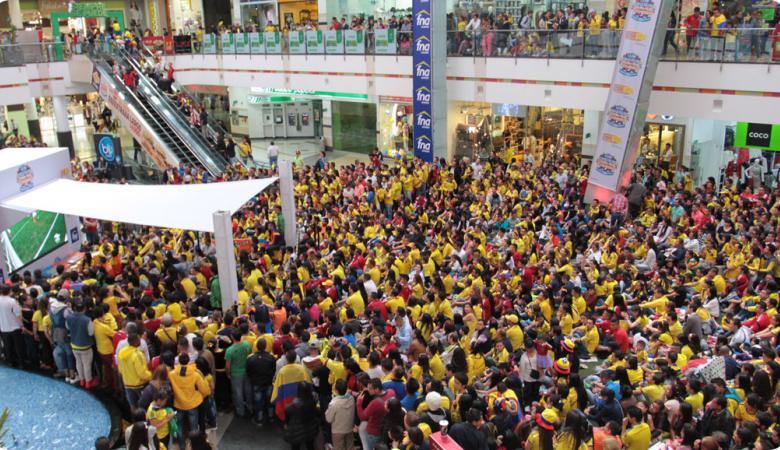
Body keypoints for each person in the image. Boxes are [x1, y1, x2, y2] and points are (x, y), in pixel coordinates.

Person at [66, 300, 97, 388]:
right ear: (84, 309)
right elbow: (91, 333)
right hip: (85, 345)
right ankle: (88, 382)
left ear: (75, 308)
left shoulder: (69, 317)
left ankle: (82, 380)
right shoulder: (87, 320)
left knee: (78, 363)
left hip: (74, 344)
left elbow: (67, 327)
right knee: (86, 364)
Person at [247, 338, 276, 424]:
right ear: (265, 347)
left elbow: (249, 371)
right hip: (268, 382)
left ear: (256, 347)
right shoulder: (271, 358)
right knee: (269, 400)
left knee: (258, 401)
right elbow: (273, 370)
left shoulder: (251, 358)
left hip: (256, 383)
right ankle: (271, 417)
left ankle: (259, 419)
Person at [283, 382, 320, 450]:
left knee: (295, 447)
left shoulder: (292, 406)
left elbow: (286, 412)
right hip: (310, 428)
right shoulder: (313, 401)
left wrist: (286, 424)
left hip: (296, 431)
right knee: (310, 445)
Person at [225, 328, 252, 418]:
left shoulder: (230, 350)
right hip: (247, 371)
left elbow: (228, 366)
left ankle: (241, 411)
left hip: (236, 374)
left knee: (238, 393)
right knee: (248, 390)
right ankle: (250, 407)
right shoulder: (247, 344)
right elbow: (250, 355)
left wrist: (228, 374)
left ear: (232, 337)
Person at [326, 379, 355, 450]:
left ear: (336, 390)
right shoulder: (351, 398)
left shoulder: (334, 403)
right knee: (350, 447)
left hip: (337, 431)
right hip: (349, 428)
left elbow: (328, 419)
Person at [0, 285, 24, 368]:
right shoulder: (12, 301)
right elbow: (18, 315)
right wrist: (22, 325)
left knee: (8, 346)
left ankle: (11, 362)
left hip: (3, 327)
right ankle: (21, 363)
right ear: (9, 291)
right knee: (18, 347)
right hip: (14, 327)